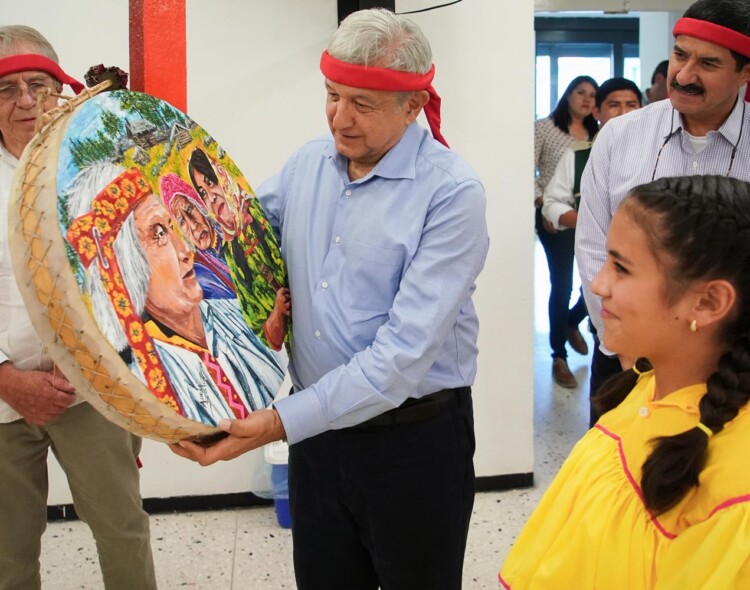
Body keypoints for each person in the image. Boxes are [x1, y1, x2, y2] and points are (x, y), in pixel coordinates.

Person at [171, 8, 488, 590]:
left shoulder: (451, 195)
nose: (339, 118)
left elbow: (400, 357)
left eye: (362, 104)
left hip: (412, 443)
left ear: (412, 105)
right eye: (332, 94)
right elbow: (237, 249)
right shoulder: (306, 166)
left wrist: (275, 423)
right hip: (317, 437)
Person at [500, 175, 750, 589]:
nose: (598, 284)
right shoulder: (647, 386)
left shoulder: (733, 492)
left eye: (621, 267)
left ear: (707, 302)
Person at [0, 25, 157, 589]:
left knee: (121, 529)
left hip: (91, 386)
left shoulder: (96, 168)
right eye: (6, 88)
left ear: (59, 90)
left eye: (36, 85)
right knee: (7, 549)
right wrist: (6, 379)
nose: (24, 101)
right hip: (1, 397)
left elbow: (136, 269)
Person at [576, 0, 750, 426]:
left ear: (745, 73)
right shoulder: (621, 136)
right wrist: (629, 352)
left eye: (708, 63)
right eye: (680, 55)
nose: (685, 75)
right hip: (625, 364)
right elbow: (594, 248)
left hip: (734, 372)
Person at [64, 163, 286, 425]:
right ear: (125, 266)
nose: (185, 251)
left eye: (171, 227)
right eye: (158, 234)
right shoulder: (144, 378)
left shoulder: (233, 312)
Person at [188, 148, 290, 351]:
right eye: (203, 194)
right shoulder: (231, 254)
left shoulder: (258, 211)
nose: (212, 197)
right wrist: (278, 311)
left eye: (211, 183)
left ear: (223, 176)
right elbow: (260, 327)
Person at [535, 75, 599, 388]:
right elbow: (527, 167)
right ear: (568, 94)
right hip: (554, 217)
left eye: (592, 95)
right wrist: (542, 202)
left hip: (595, 219)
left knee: (595, 282)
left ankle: (572, 321)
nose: (587, 99)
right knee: (562, 283)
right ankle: (558, 355)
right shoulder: (545, 127)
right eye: (581, 92)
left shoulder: (598, 132)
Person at [160, 172, 236, 300]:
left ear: (200, 206)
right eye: (182, 222)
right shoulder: (198, 275)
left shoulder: (231, 231)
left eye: (190, 210)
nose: (193, 225)